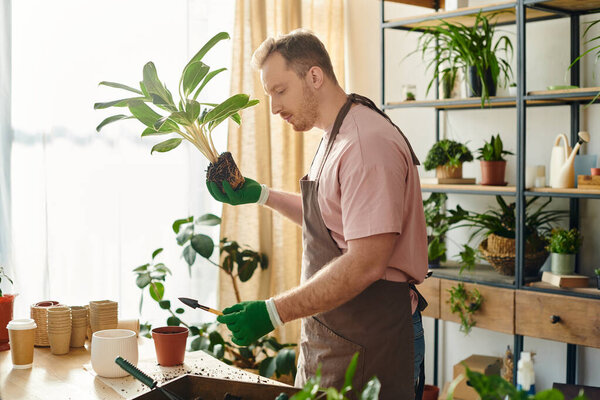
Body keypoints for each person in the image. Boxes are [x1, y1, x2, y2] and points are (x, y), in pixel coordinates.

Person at [207, 29, 428, 400]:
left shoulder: (364, 143)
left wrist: (273, 311)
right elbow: (332, 223)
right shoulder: (334, 135)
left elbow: (365, 263)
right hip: (337, 333)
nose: (274, 107)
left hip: (374, 342)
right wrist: (261, 195)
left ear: (314, 76)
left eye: (279, 91)